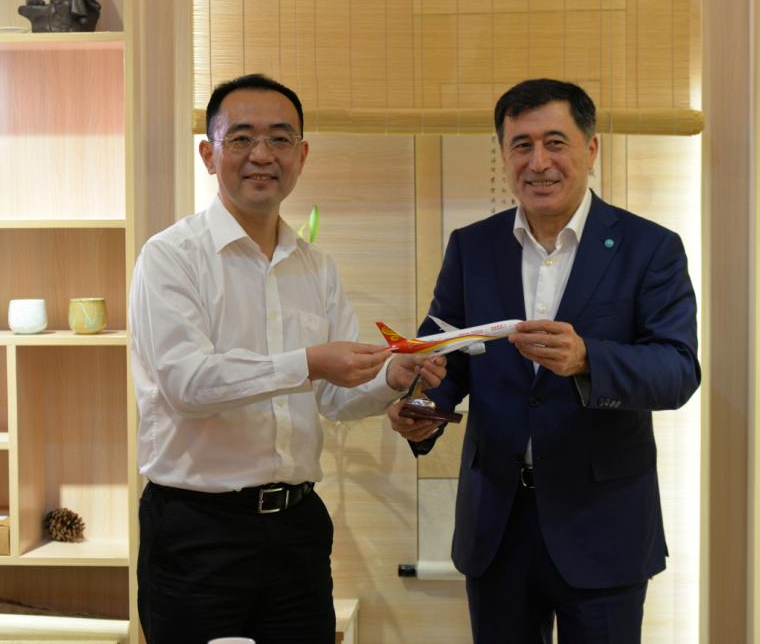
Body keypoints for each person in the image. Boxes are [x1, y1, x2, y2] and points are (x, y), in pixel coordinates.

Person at [130, 73, 445, 644]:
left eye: (280, 139)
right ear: (209, 154)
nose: (262, 154)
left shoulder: (316, 267)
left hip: (297, 529)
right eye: (241, 138)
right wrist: (310, 362)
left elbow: (334, 397)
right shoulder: (170, 257)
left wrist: (391, 378)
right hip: (196, 529)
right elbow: (187, 384)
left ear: (301, 157)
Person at [388, 78, 700, 644]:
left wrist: (588, 359)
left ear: (591, 148)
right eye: (521, 145)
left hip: (603, 525)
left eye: (555, 143)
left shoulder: (650, 248)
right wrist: (422, 407)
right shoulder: (472, 247)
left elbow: (677, 371)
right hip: (497, 525)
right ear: (504, 155)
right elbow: (445, 357)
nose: (538, 163)